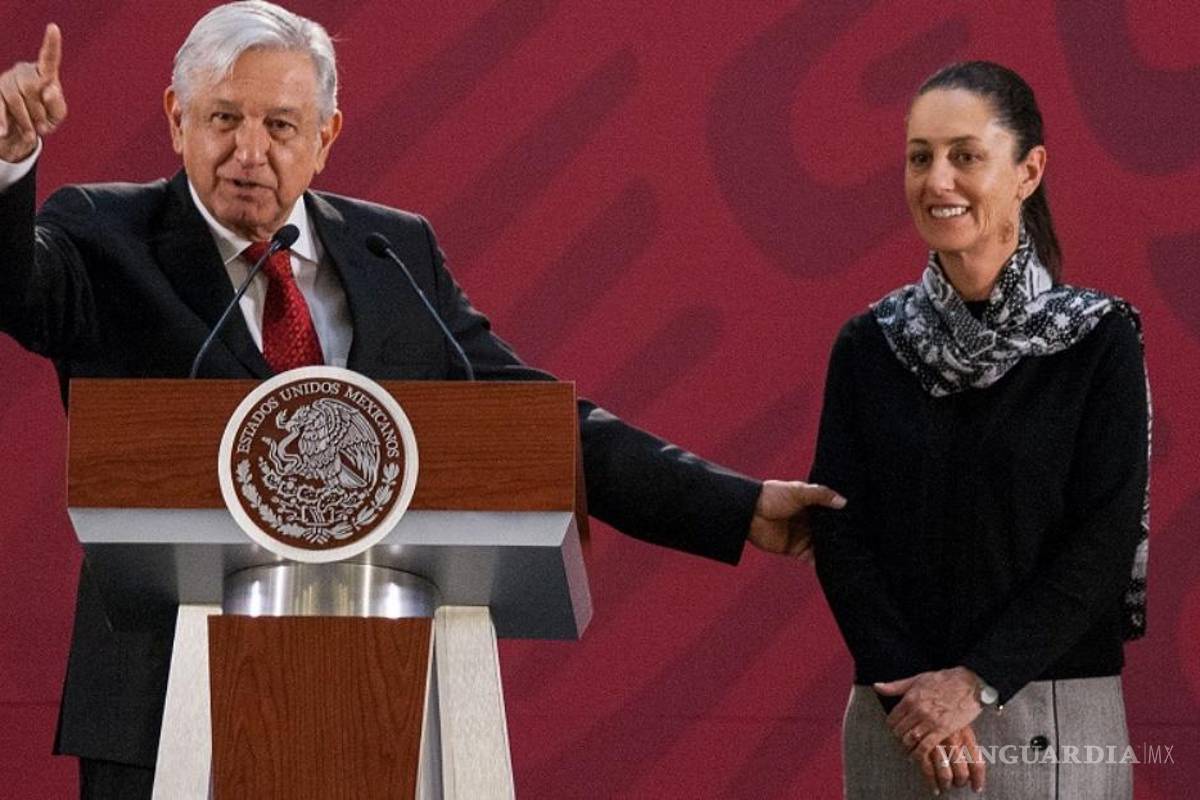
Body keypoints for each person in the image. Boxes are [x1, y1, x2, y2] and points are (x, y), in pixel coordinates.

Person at [0, 3, 845, 795]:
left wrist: (734, 505)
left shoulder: (389, 250)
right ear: (176, 118)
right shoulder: (102, 234)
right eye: (224, 118)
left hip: (379, 689)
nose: (249, 150)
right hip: (166, 697)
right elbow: (16, 288)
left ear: (325, 137)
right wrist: (8, 162)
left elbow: (536, 425)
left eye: (280, 125)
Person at [809, 61, 1149, 799]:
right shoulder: (870, 344)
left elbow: (1103, 539)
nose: (938, 181)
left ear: (1028, 172)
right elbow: (840, 530)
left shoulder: (1096, 338)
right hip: (897, 718)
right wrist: (912, 696)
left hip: (1050, 710)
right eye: (920, 156)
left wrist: (976, 682)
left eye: (965, 156)